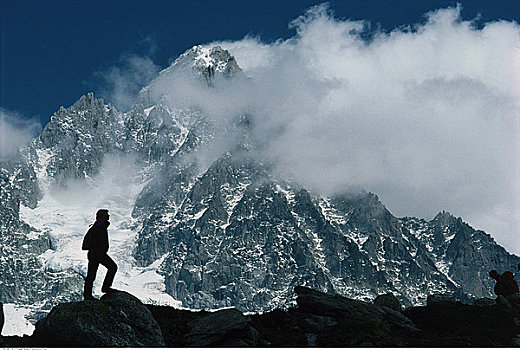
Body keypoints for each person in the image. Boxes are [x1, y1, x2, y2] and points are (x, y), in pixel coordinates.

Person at [83, 209, 118, 300]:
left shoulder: (98, 224)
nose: (109, 216)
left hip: (94, 252)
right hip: (97, 253)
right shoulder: (100, 224)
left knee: (91, 274)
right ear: (103, 216)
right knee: (112, 267)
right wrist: (101, 248)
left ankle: (88, 295)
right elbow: (99, 239)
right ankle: (105, 287)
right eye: (107, 214)